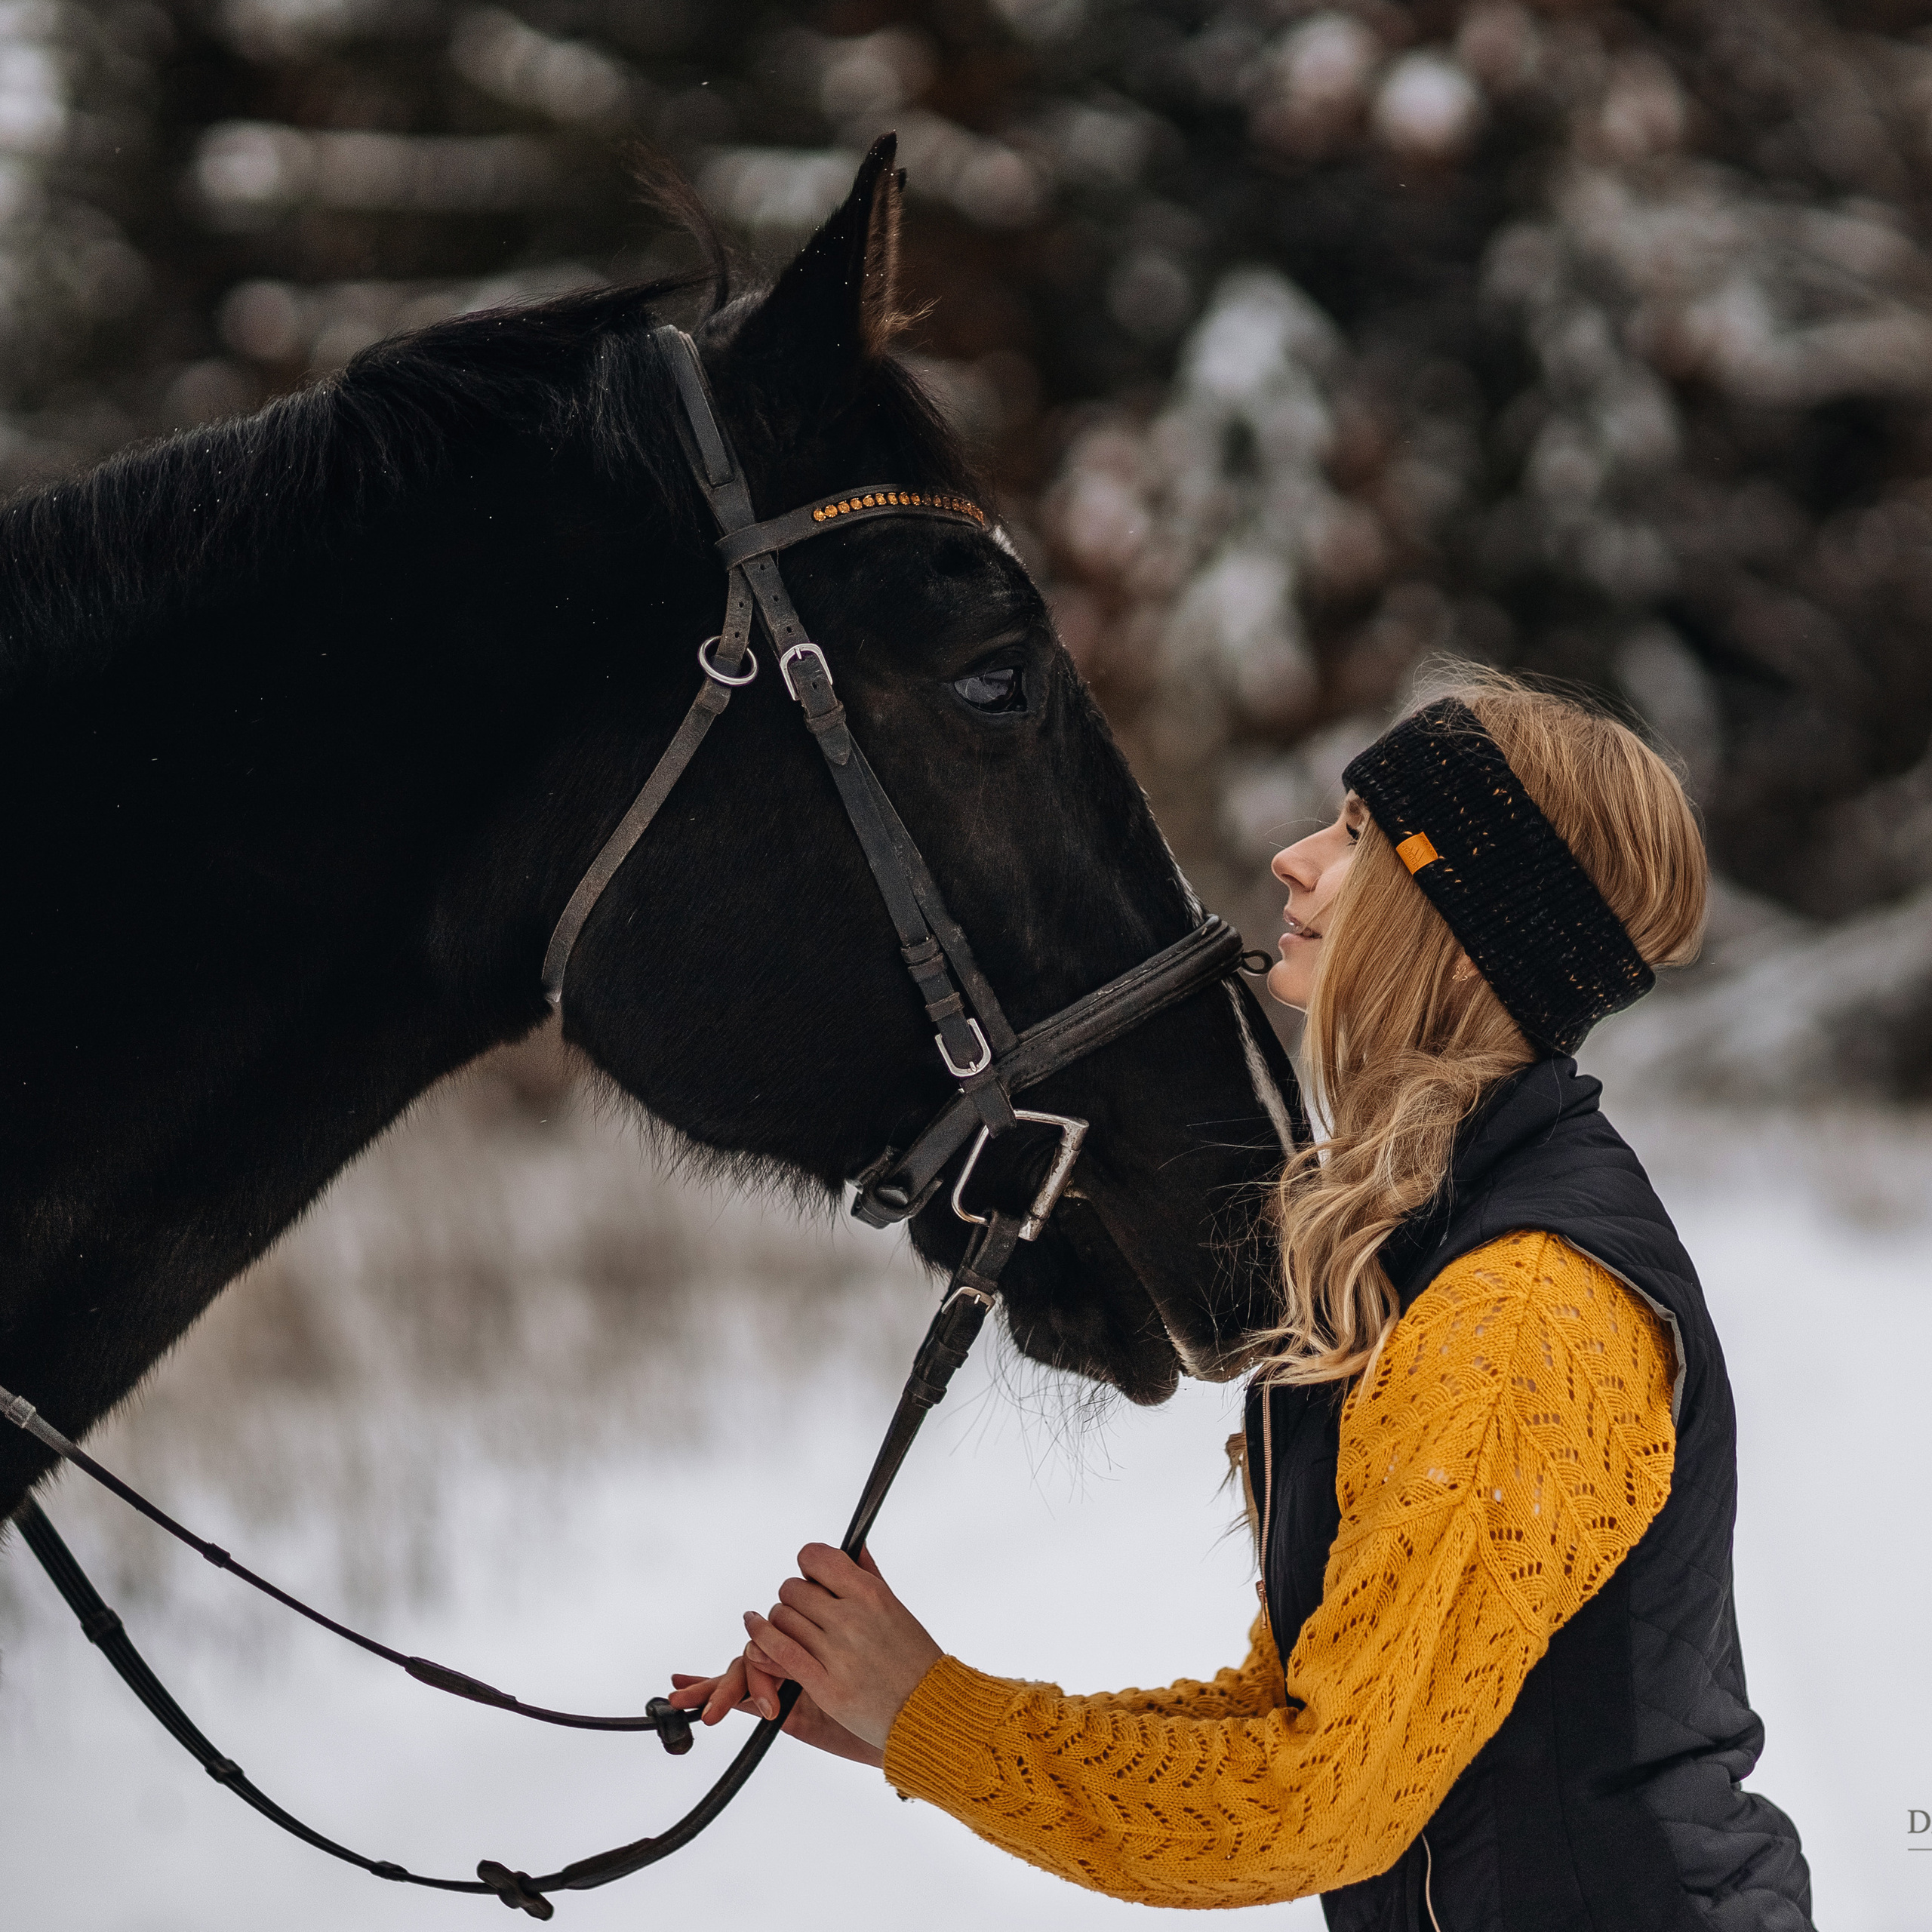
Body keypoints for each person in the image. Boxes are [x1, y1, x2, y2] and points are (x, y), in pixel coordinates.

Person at [670, 672, 1814, 1928]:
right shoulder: (1431, 1234)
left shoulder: (1521, 1310)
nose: (1294, 859)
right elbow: (1297, 1714)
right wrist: (914, 1724)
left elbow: (1312, 1801)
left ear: (1462, 924)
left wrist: (931, 1714)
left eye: (1360, 838)